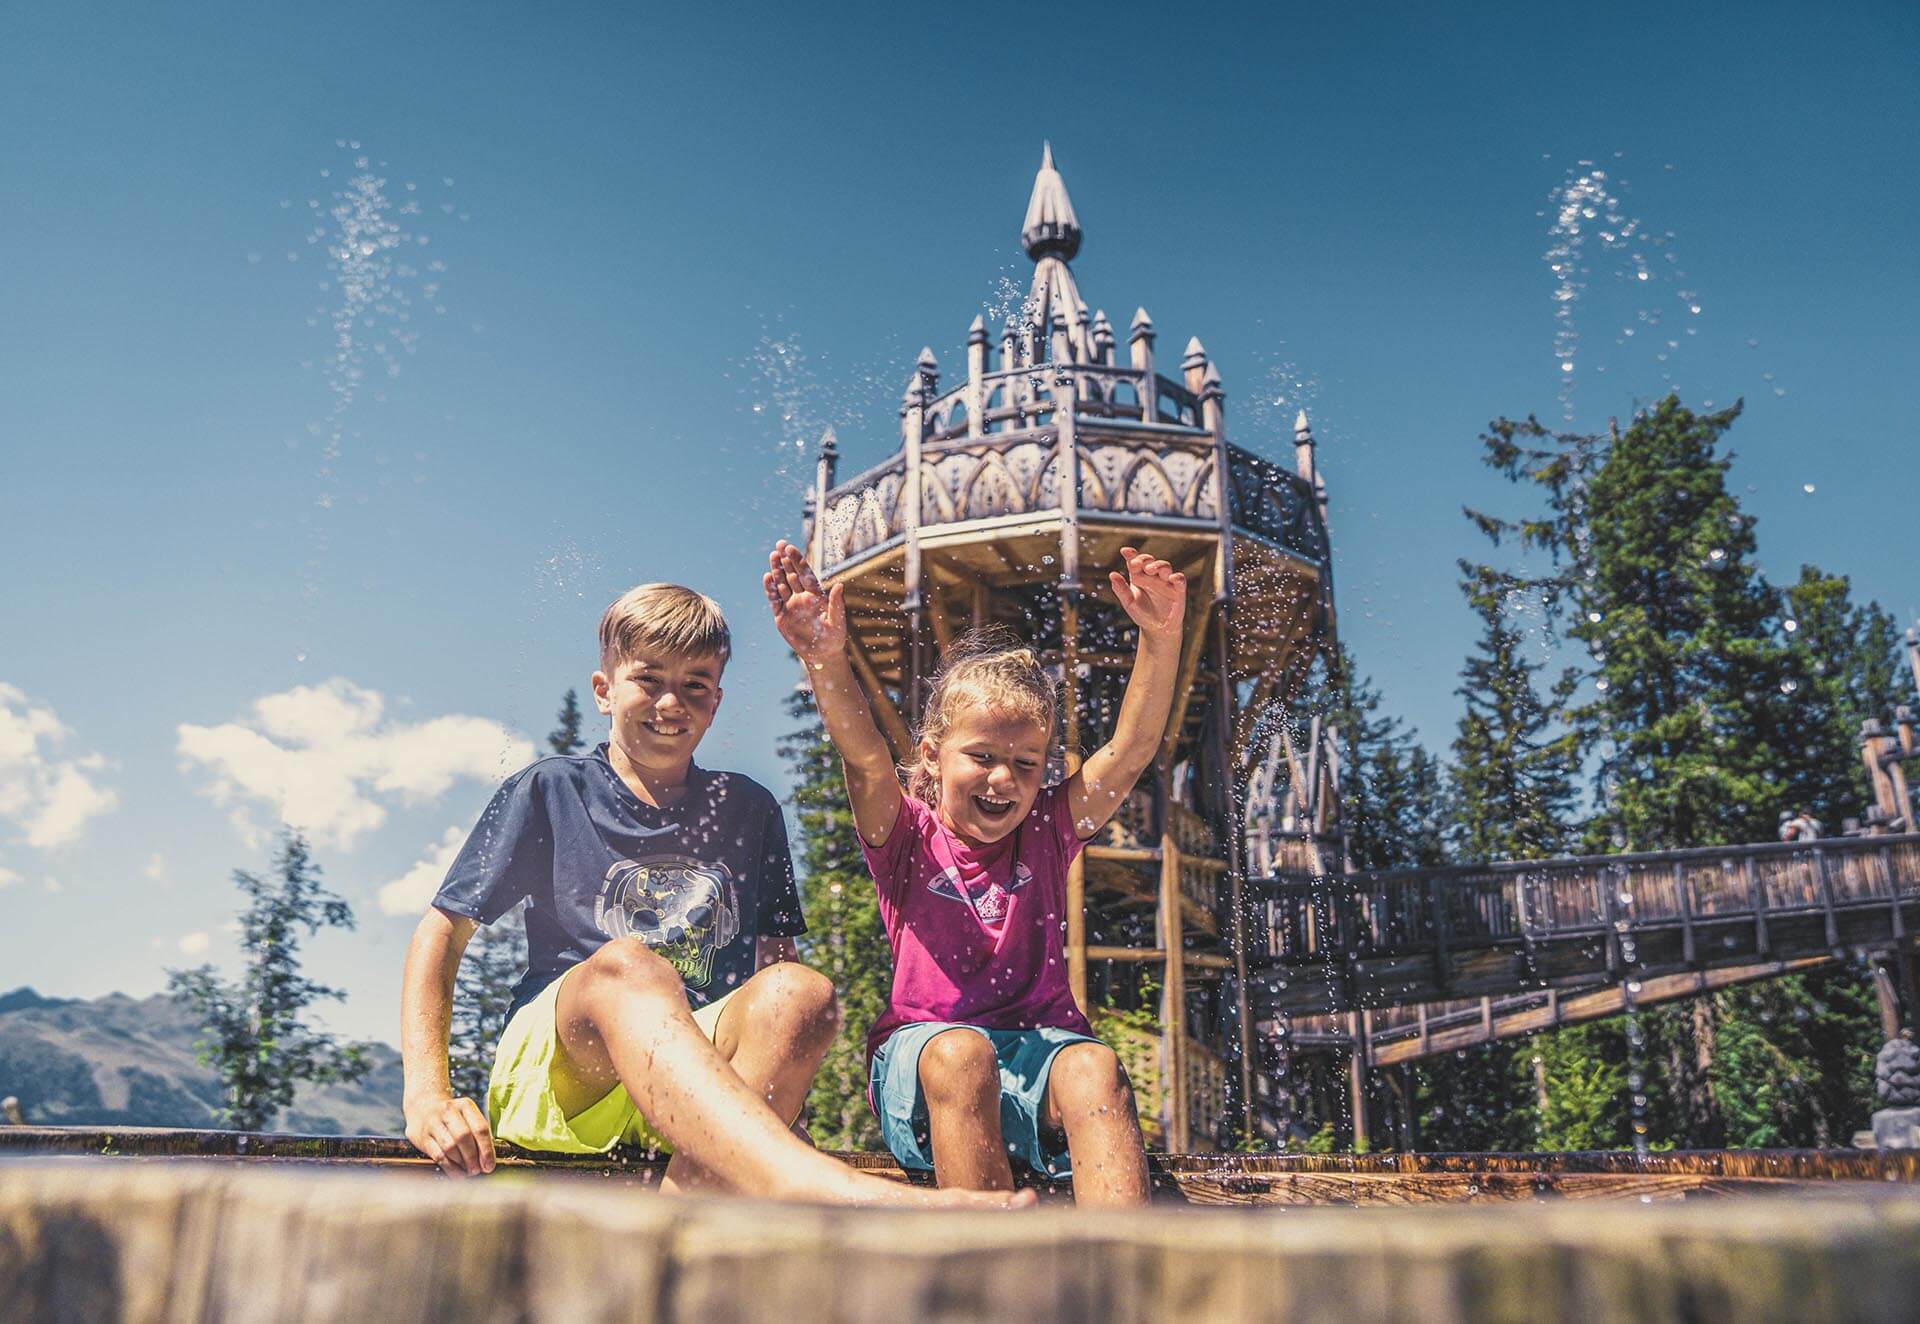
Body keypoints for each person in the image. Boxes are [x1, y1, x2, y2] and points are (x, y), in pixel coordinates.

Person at [400, 582, 1032, 1209]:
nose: (672, 701)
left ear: (717, 701)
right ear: (604, 690)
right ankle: (802, 1177)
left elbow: (772, 963)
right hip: (569, 1074)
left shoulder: (749, 809)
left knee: (802, 990)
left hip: (702, 1089)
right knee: (629, 965)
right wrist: (427, 1094)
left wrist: (779, 1093)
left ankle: (675, 1225)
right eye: (650, 680)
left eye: (695, 685)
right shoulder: (551, 790)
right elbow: (441, 935)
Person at [765, 539, 1185, 1207]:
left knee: (1096, 1067)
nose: (1003, 779)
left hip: (1037, 1058)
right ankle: (993, 1276)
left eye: (1026, 764)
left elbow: (1129, 751)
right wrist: (822, 654)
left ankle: (1122, 1274)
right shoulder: (905, 837)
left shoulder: (1046, 832)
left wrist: (1161, 637)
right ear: (933, 757)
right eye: (981, 756)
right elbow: (868, 758)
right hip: (928, 1068)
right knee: (965, 1055)